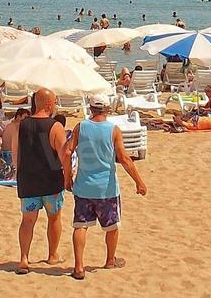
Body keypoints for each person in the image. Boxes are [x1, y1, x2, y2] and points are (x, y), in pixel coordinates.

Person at [66, 96, 147, 281]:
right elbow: (125, 159)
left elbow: (67, 151)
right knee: (111, 226)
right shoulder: (113, 130)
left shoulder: (81, 127)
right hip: (106, 188)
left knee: (80, 226)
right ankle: (110, 260)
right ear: (108, 110)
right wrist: (139, 182)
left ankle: (79, 267)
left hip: (83, 186)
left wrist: (67, 177)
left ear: (91, 108)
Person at [14, 89, 71, 274]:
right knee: (54, 218)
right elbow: (64, 155)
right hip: (50, 180)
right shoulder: (55, 127)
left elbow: (16, 154)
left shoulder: (21, 125)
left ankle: (24, 258)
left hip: (28, 179)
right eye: (54, 102)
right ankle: (52, 255)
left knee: (27, 221)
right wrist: (68, 176)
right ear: (48, 104)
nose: (55, 105)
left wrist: (20, 173)